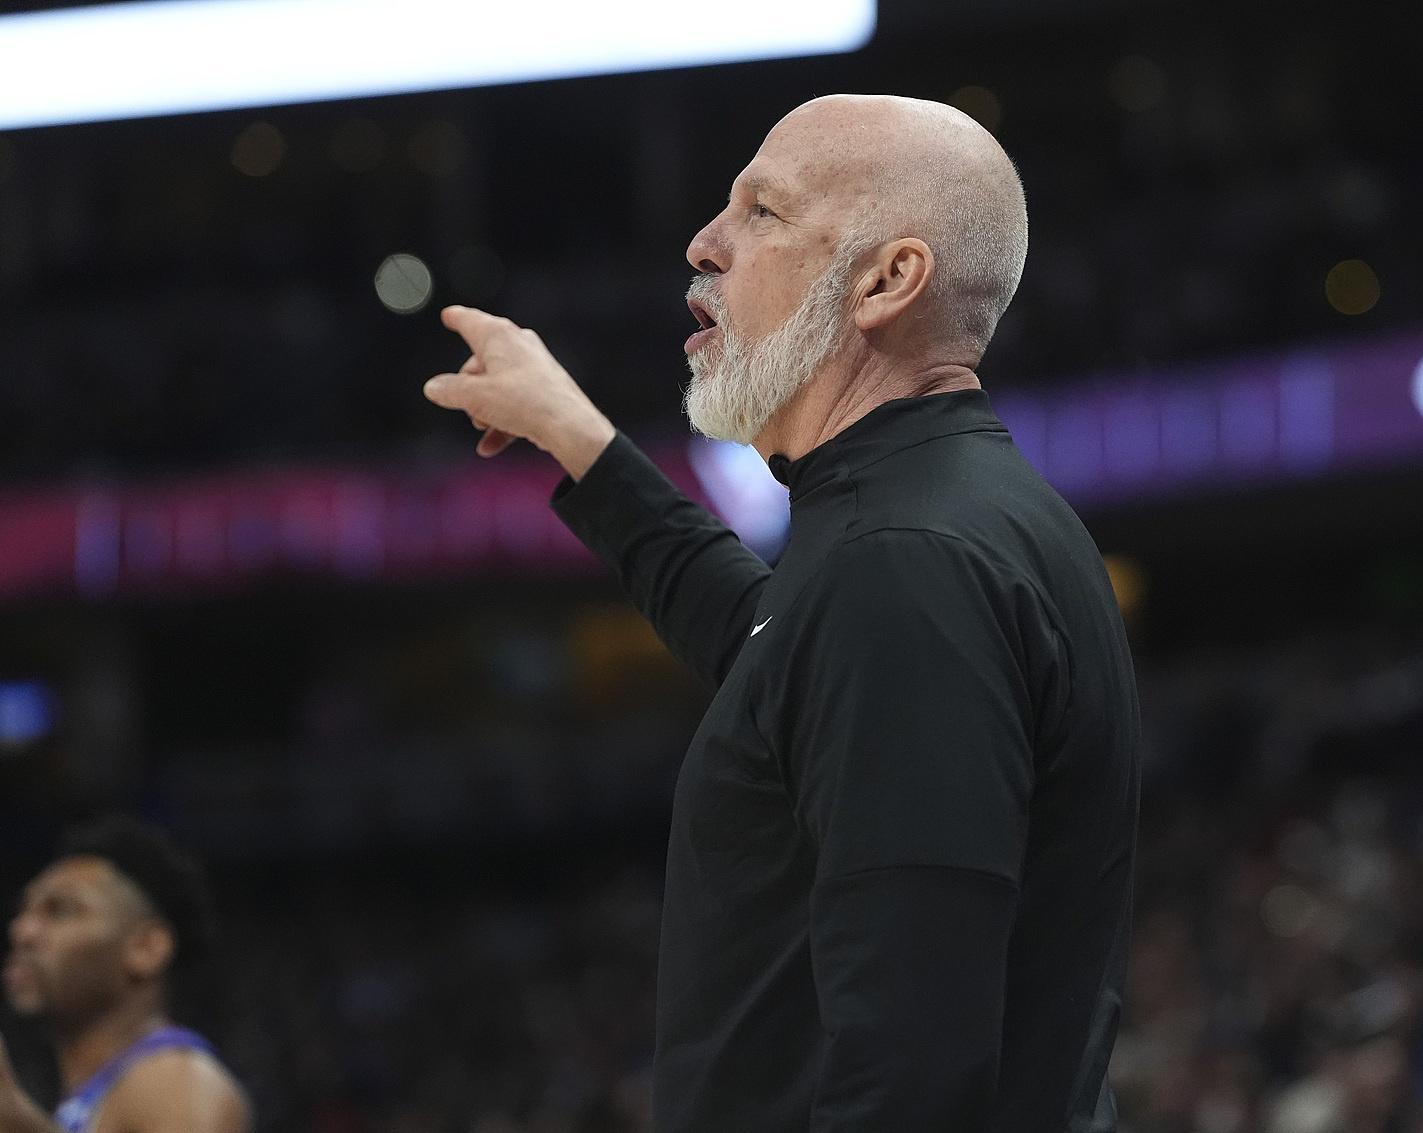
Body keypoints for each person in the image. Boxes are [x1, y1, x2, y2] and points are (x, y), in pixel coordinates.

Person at [423, 93, 1141, 1131]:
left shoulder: (903, 565)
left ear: (886, 281)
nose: (704, 243)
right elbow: (768, 649)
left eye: (762, 211)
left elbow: (914, 1070)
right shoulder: (937, 514)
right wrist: (578, 438)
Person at [0, 817, 249, 1133]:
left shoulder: (173, 1077)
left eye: (60, 910)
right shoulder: (95, 1096)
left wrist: (18, 1125)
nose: (22, 931)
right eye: (24, 912)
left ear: (146, 948)